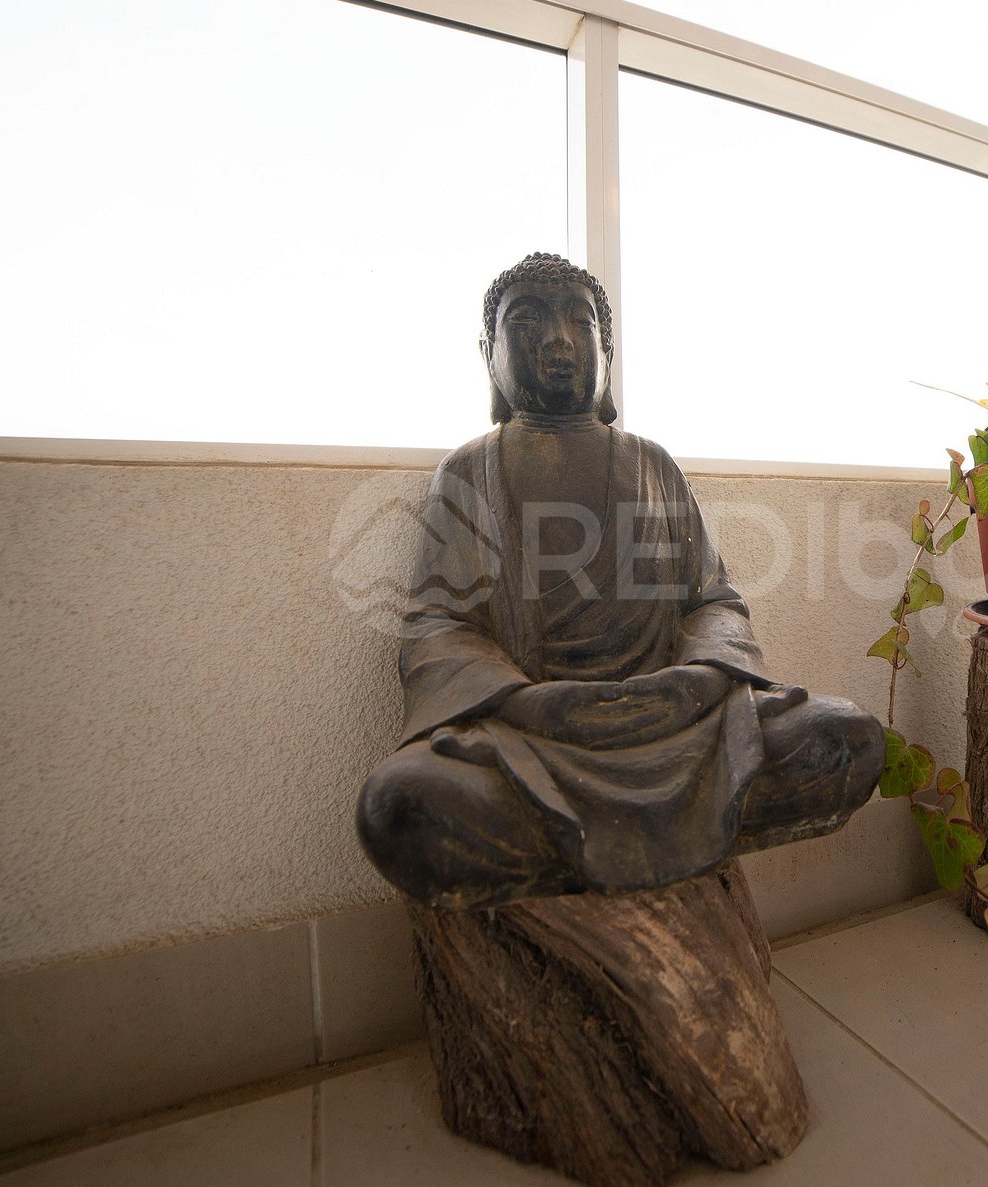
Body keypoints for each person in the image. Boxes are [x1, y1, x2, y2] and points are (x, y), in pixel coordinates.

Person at [357, 253, 884, 909]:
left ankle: (574, 850)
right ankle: (616, 852)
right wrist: (519, 700)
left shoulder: (653, 465)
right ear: (488, 356)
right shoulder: (468, 472)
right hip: (534, 735)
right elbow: (439, 625)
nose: (557, 341)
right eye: (527, 321)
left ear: (607, 352)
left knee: (846, 737)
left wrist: (705, 674)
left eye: (579, 321)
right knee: (399, 804)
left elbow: (713, 600)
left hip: (675, 722)